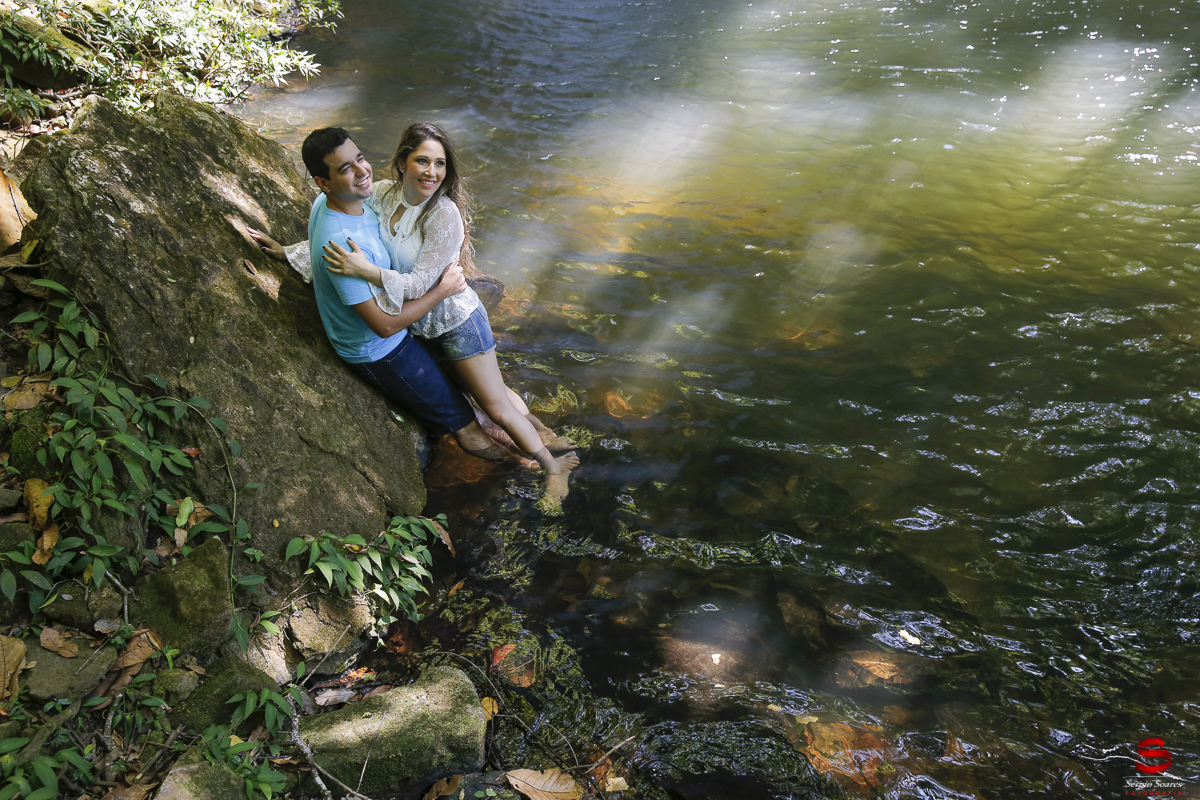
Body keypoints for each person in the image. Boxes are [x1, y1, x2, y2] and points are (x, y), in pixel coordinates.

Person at [251, 126, 579, 500]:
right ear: (402, 162)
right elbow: (337, 230)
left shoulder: (442, 215)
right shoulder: (382, 196)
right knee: (490, 392)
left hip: (455, 322)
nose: (431, 172)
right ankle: (545, 435)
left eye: (440, 164)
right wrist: (291, 252)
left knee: (496, 406)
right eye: (422, 160)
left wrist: (372, 273)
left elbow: (421, 284)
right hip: (424, 325)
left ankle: (552, 467)